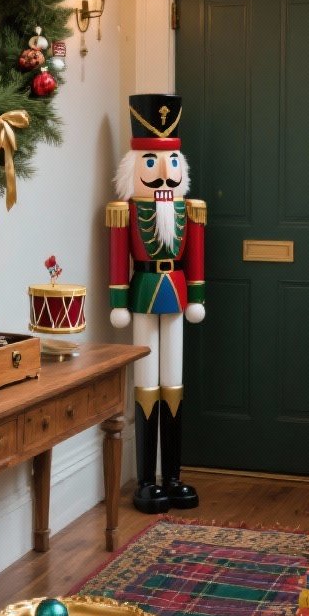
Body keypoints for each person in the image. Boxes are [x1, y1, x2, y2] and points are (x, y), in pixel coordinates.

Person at [106, 94, 206, 513]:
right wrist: (118, 300)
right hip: (144, 292)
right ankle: (147, 479)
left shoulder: (190, 209)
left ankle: (175, 477)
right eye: (151, 164)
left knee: (174, 384)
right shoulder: (124, 211)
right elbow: (116, 259)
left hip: (178, 294)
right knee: (146, 384)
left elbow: (196, 257)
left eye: (169, 165)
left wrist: (198, 295)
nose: (163, 176)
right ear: (135, 168)